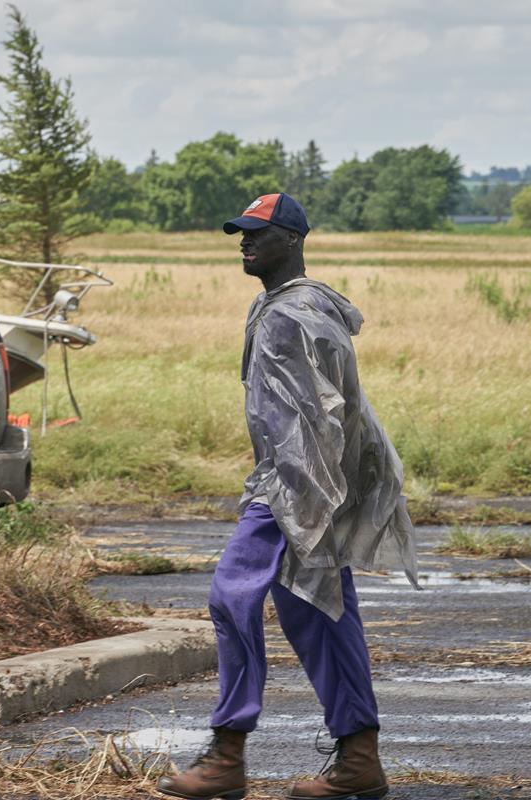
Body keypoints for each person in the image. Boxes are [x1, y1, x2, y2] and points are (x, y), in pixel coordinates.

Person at [156, 193, 420, 800]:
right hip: (312, 481)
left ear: (293, 239)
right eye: (242, 234)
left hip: (296, 484)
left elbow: (316, 418)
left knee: (231, 594)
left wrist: (301, 500)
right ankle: (359, 758)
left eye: (259, 234)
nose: (246, 243)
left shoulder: (291, 315)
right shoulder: (280, 304)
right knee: (320, 611)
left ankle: (227, 754)